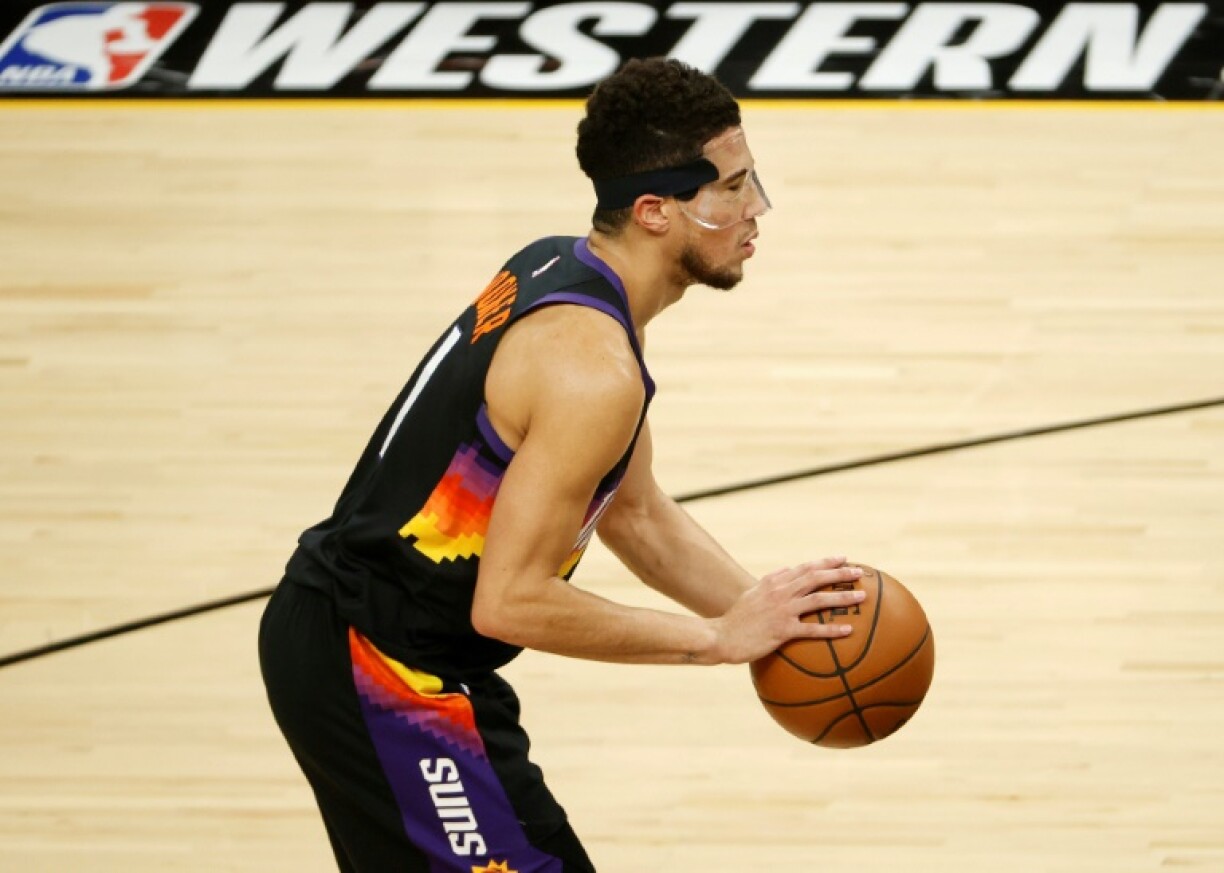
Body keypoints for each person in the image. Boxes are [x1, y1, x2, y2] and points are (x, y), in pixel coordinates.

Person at [258, 57, 866, 873]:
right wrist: (717, 639)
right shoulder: (592, 369)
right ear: (655, 210)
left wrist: (771, 620)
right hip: (378, 665)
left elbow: (635, 514)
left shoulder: (568, 271)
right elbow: (510, 600)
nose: (756, 206)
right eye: (731, 186)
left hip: (394, 646)